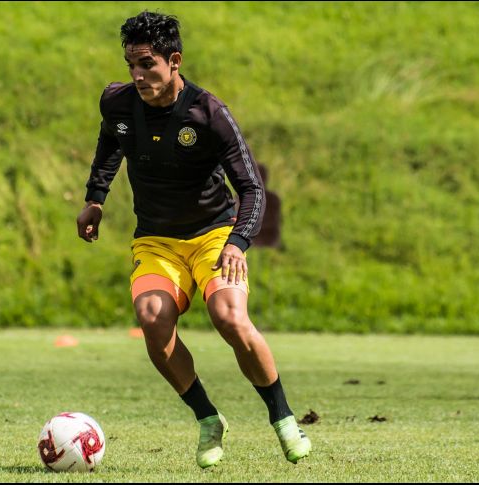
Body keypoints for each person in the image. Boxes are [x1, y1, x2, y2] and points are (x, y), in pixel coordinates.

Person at [76, 11, 311, 468]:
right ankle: (207, 418)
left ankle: (283, 418)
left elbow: (251, 188)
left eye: (147, 64)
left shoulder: (209, 113)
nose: (138, 75)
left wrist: (238, 241)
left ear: (175, 60)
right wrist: (96, 198)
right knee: (151, 318)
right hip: (157, 242)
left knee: (229, 316)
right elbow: (110, 143)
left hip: (214, 236)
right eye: (131, 65)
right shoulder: (118, 103)